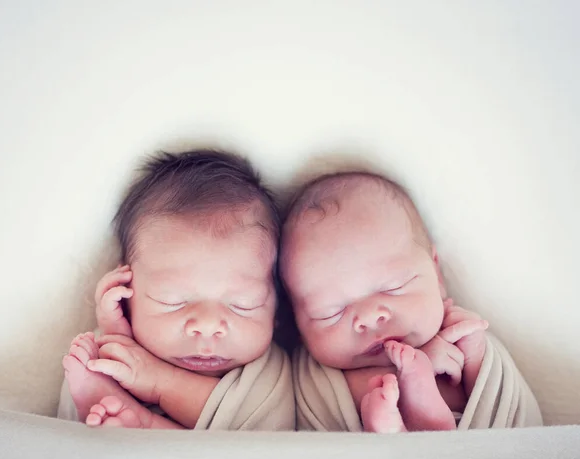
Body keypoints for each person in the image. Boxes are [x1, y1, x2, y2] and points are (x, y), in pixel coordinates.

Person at [280, 171, 542, 432]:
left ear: (436, 272)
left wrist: (475, 356)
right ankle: (397, 430)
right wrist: (409, 375)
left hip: (478, 455)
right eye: (330, 312)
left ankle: (414, 425)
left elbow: (504, 412)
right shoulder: (324, 379)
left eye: (394, 287)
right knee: (380, 400)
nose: (370, 317)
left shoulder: (455, 332)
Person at [59, 149, 294, 431]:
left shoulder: (267, 371)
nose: (207, 327)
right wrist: (118, 337)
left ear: (278, 306)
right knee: (93, 365)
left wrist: (157, 381)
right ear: (125, 288)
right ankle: (119, 420)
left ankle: (136, 423)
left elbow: (255, 432)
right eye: (172, 301)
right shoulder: (104, 348)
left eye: (243, 304)